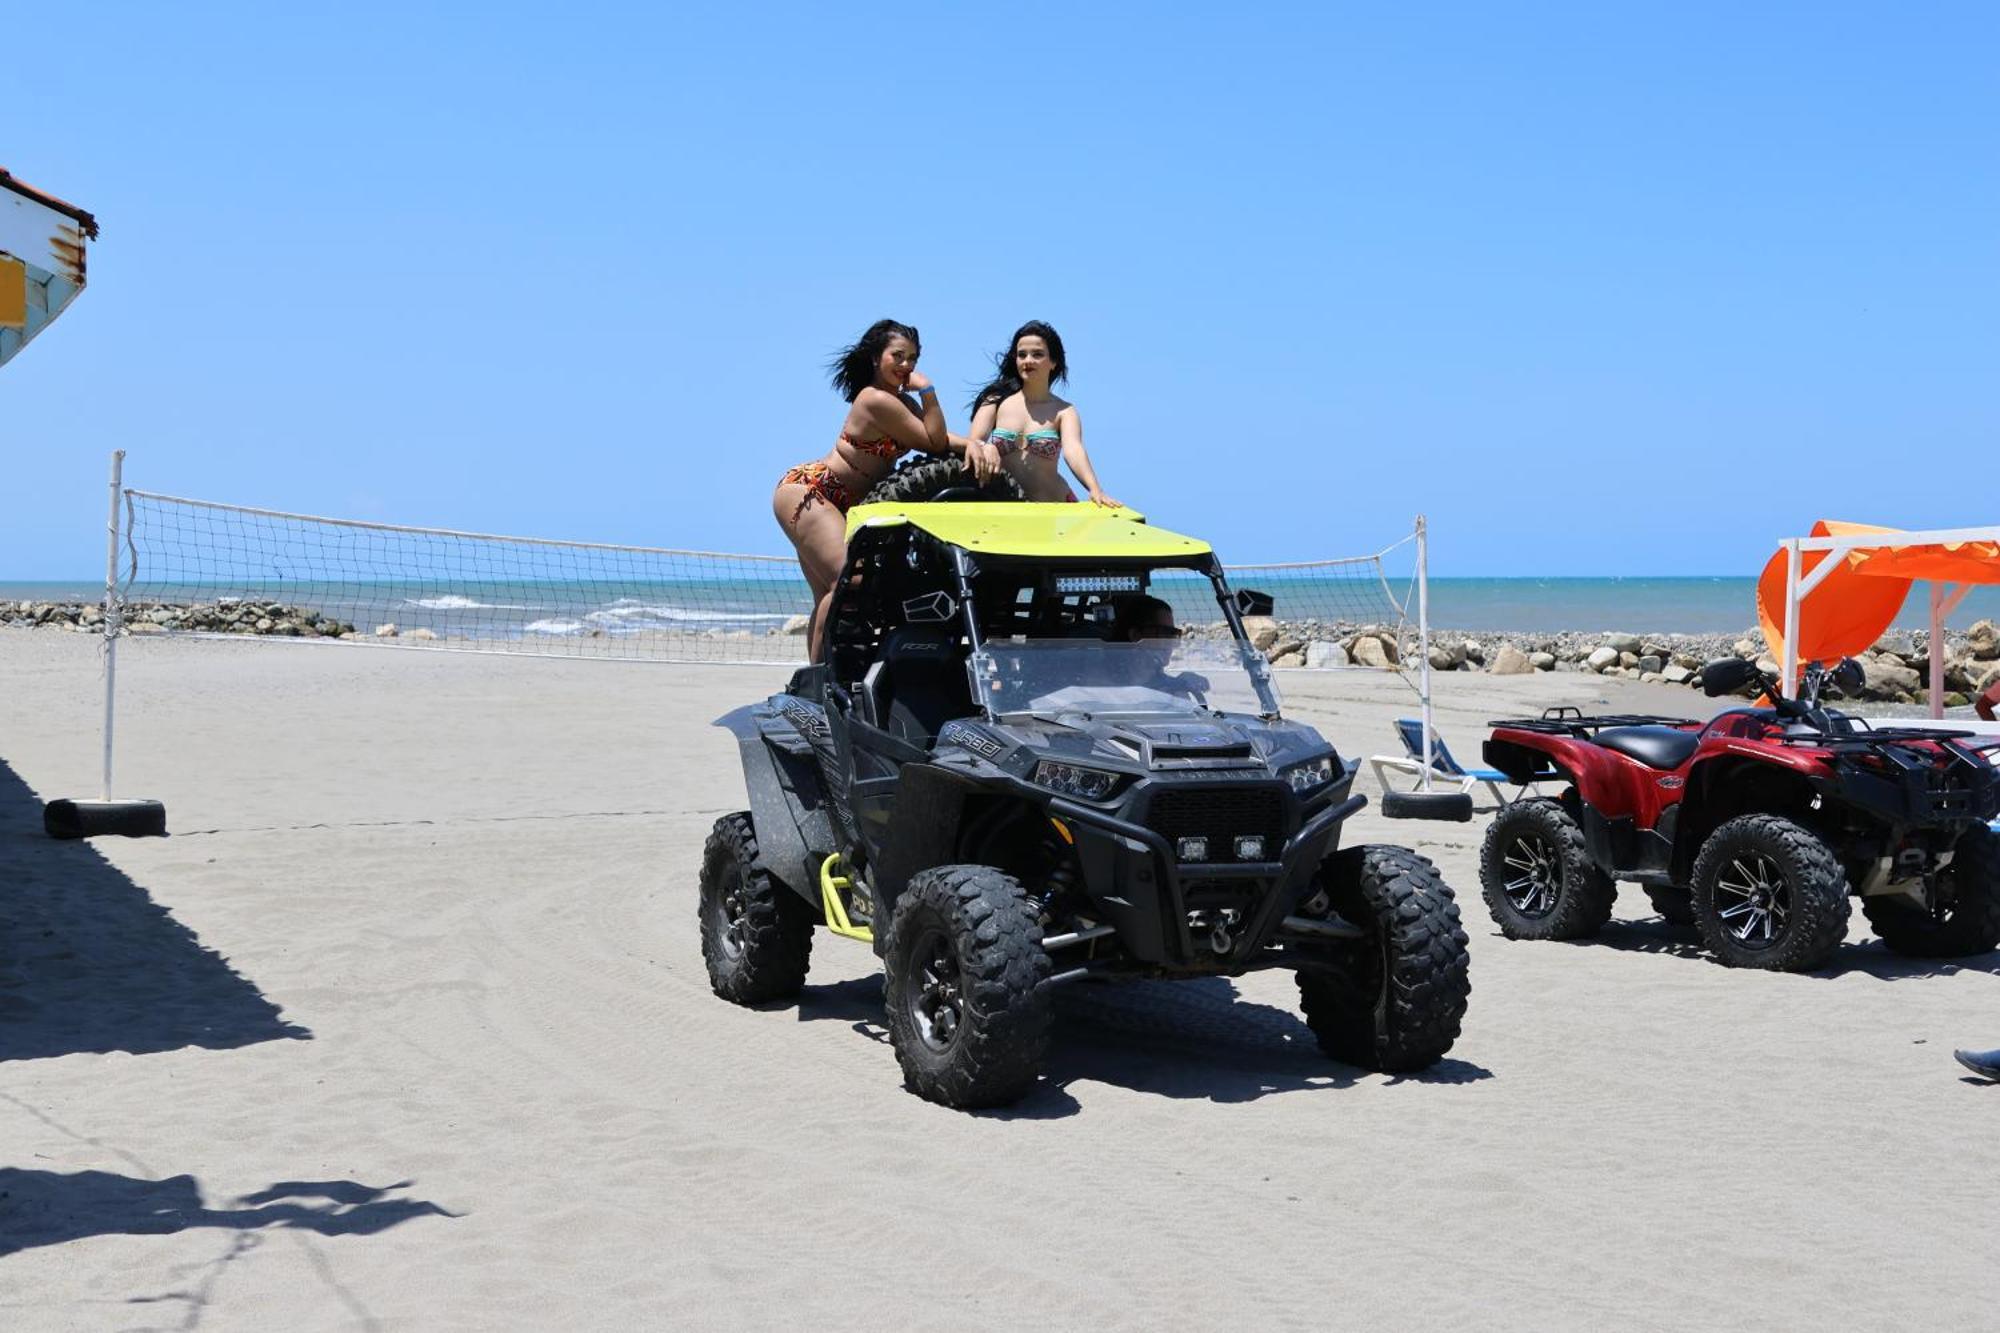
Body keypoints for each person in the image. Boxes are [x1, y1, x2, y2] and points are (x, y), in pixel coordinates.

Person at [774, 319, 1001, 657]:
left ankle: (818, 681)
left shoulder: (901, 404)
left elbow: (941, 437)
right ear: (876, 358)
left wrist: (977, 446)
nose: (906, 366)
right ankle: (820, 681)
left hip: (844, 503)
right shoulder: (874, 399)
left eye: (912, 359)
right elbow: (934, 441)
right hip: (813, 492)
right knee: (846, 585)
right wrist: (928, 390)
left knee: (829, 594)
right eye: (898, 356)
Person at [967, 320, 1119, 506]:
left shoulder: (1064, 411)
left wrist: (1095, 489)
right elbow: (973, 441)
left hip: (1057, 511)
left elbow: (1074, 451)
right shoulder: (995, 402)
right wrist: (985, 446)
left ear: (1053, 362)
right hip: (1008, 511)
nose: (1028, 360)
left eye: (1037, 354)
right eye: (1022, 355)